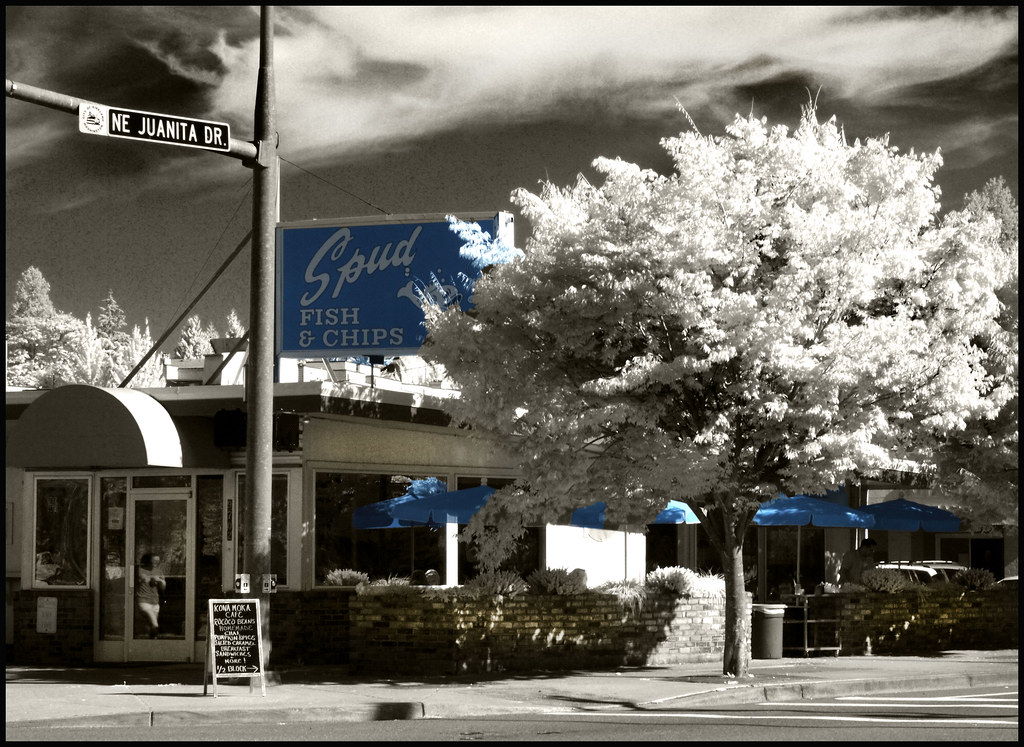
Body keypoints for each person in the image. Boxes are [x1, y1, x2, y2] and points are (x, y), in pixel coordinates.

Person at [136, 553, 166, 638]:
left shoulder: (159, 571)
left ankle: (150, 643)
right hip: (144, 601)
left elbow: (163, 588)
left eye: (158, 561)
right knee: (155, 623)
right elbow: (133, 584)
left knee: (150, 625)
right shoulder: (139, 570)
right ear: (148, 561)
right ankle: (154, 642)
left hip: (155, 601)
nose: (156, 563)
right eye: (154, 561)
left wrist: (161, 581)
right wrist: (145, 579)